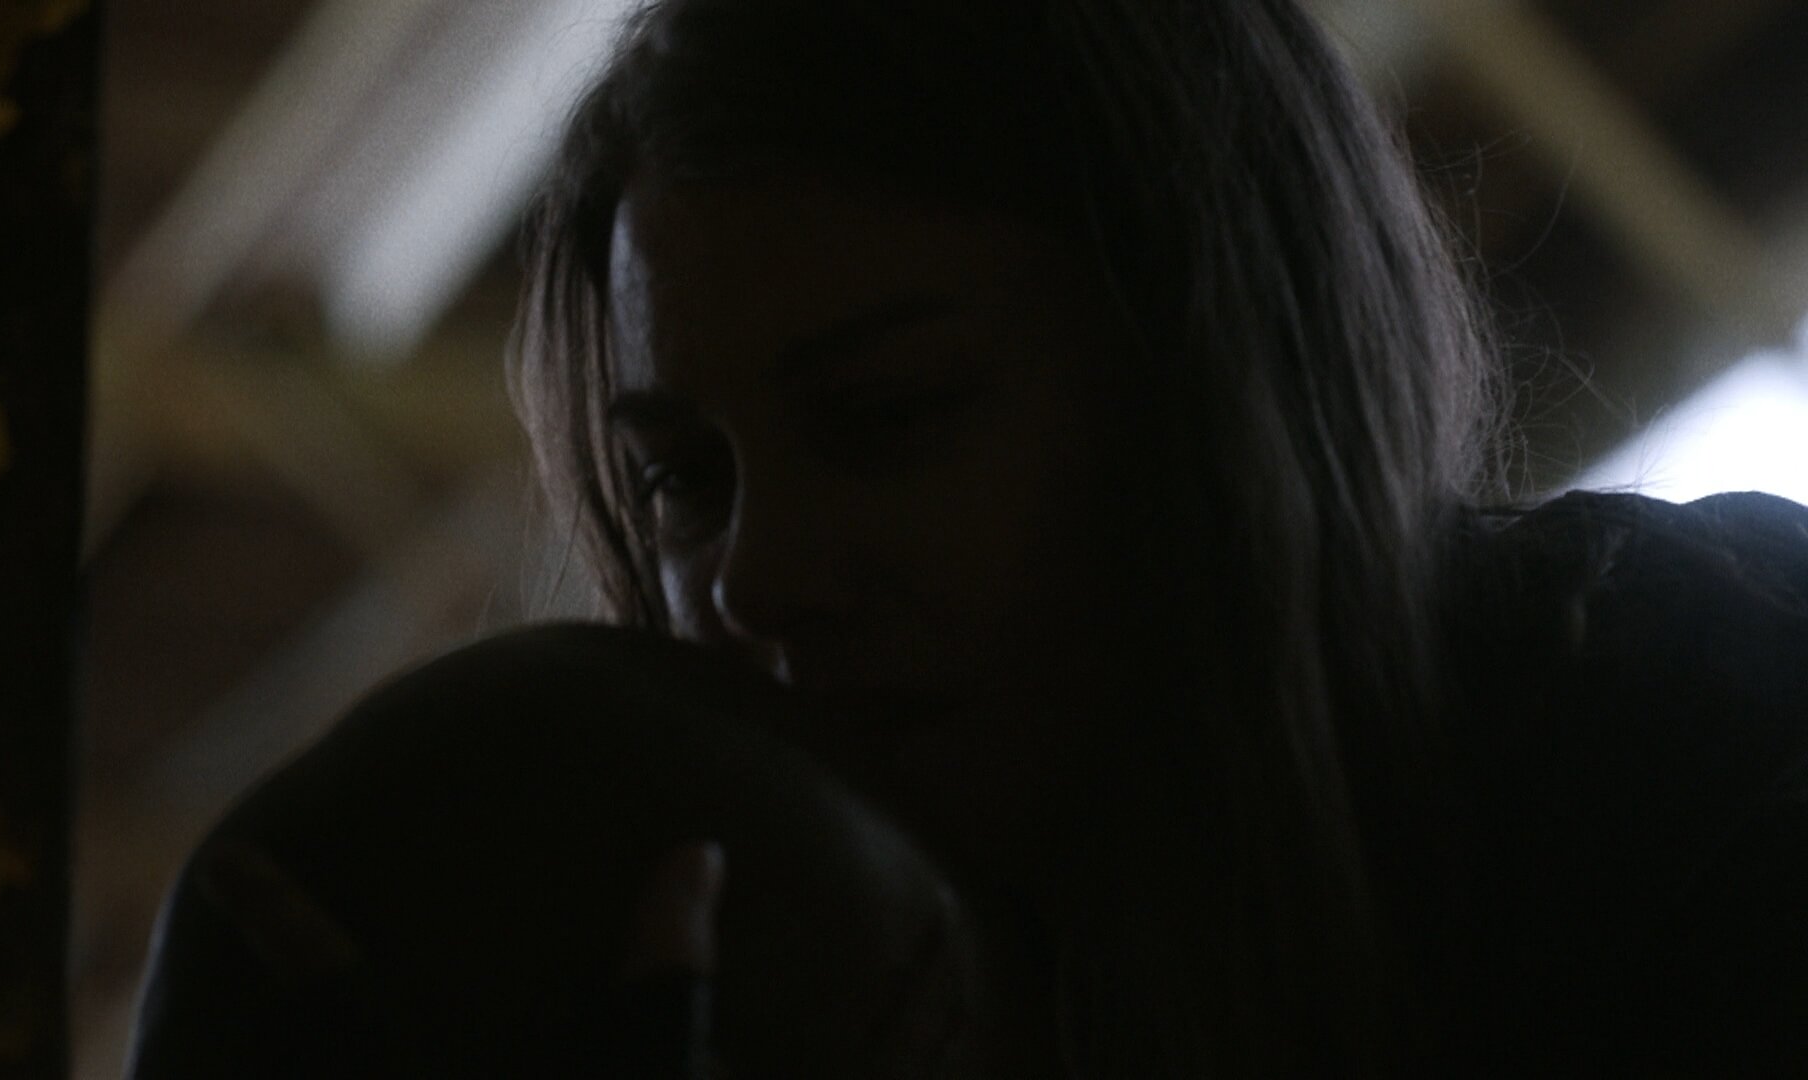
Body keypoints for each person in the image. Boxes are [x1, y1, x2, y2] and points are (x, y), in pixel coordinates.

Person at [129, 0, 1808, 1075]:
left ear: (1209, 378)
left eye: (891, 415)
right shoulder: (775, 988)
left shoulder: (1694, 724)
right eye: (683, 479)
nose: (750, 578)